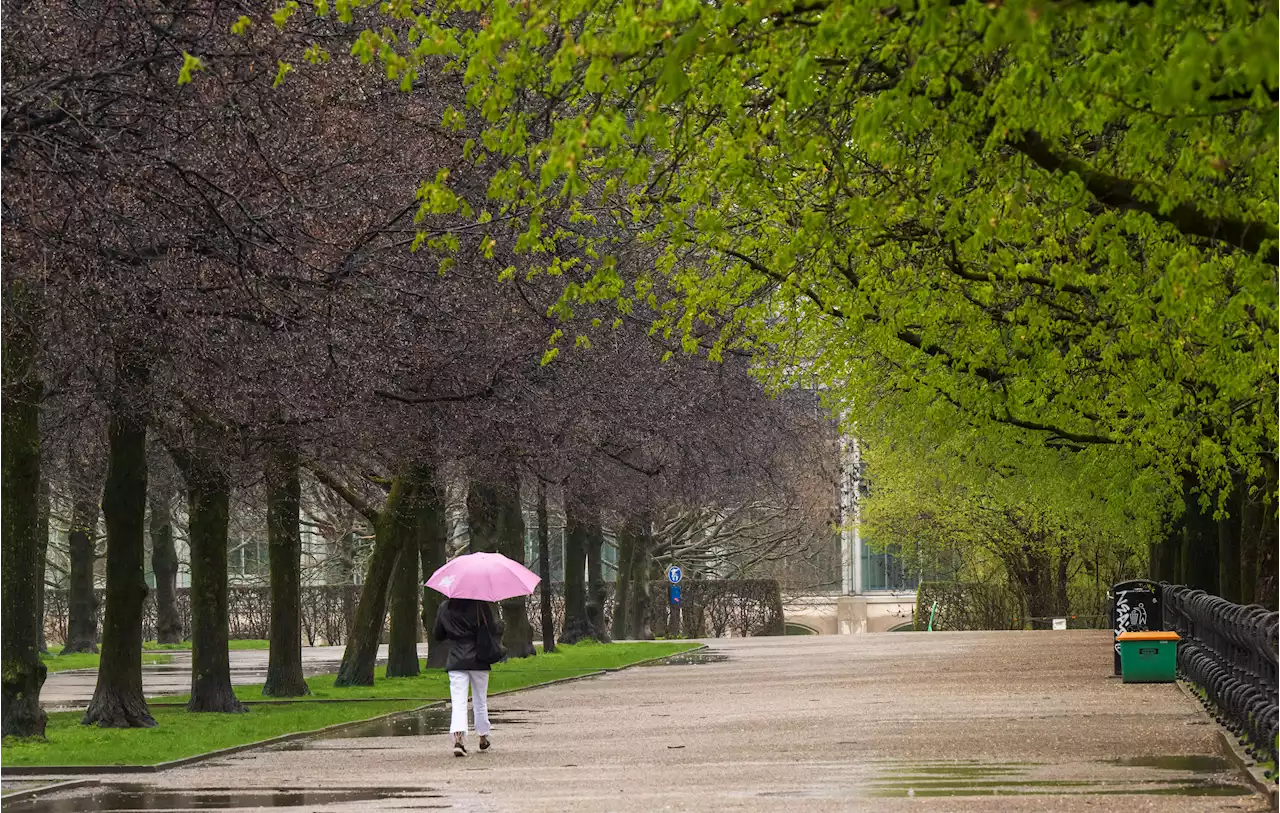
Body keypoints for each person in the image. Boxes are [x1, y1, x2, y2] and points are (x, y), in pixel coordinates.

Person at [432, 597, 503, 756]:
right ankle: (483, 738)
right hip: (479, 658)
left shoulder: (445, 606)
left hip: (456, 659)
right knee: (480, 701)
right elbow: (491, 628)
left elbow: (438, 634)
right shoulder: (480, 605)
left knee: (458, 702)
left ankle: (458, 739)